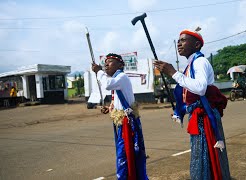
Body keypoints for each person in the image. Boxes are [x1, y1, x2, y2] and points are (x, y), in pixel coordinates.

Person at [154, 28, 230, 179]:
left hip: (205, 118)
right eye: (179, 40)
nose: (179, 44)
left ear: (196, 45)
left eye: (183, 40)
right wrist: (183, 110)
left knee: (205, 157)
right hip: (199, 116)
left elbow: (200, 89)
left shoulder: (200, 62)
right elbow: (191, 95)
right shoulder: (191, 64)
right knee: (201, 156)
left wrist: (173, 73)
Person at [92, 53, 148, 180]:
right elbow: (119, 102)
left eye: (110, 62)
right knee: (125, 155)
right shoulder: (117, 79)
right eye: (105, 63)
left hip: (127, 125)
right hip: (122, 123)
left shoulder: (121, 77)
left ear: (120, 65)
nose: (106, 64)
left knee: (124, 156)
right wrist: (110, 108)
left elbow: (107, 84)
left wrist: (99, 72)